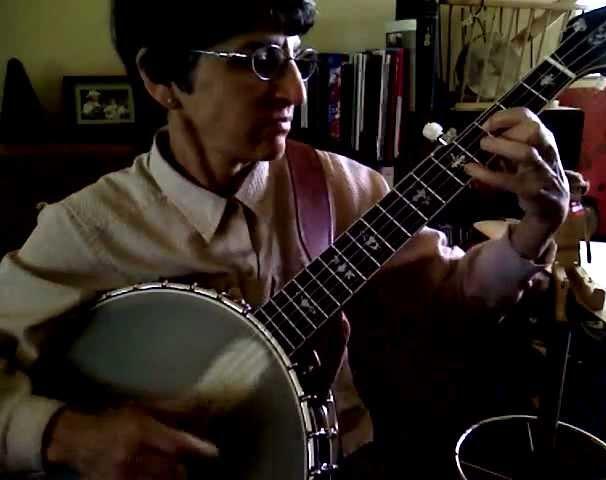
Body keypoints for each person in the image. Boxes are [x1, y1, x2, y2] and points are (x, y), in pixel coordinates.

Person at [0, 0, 569, 478]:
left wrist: (540, 221)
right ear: (162, 79)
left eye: (299, 60)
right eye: (263, 60)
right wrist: (65, 435)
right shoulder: (88, 231)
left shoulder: (340, 186)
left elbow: (454, 294)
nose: (296, 91)